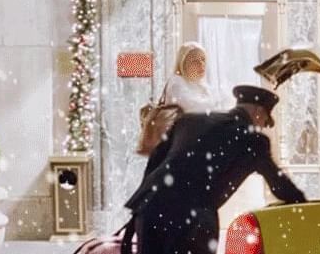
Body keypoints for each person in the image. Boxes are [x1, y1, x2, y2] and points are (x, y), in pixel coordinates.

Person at [124, 85, 307, 254]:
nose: (262, 126)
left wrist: (138, 211)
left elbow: (154, 164)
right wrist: (302, 203)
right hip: (191, 220)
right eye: (265, 121)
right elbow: (280, 186)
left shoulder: (189, 121)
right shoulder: (253, 140)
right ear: (258, 112)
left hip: (149, 209)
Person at [163, 42, 226, 114]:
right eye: (195, 61)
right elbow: (193, 107)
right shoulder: (176, 82)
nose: (201, 64)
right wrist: (217, 101)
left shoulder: (201, 85)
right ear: (183, 64)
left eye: (203, 59)